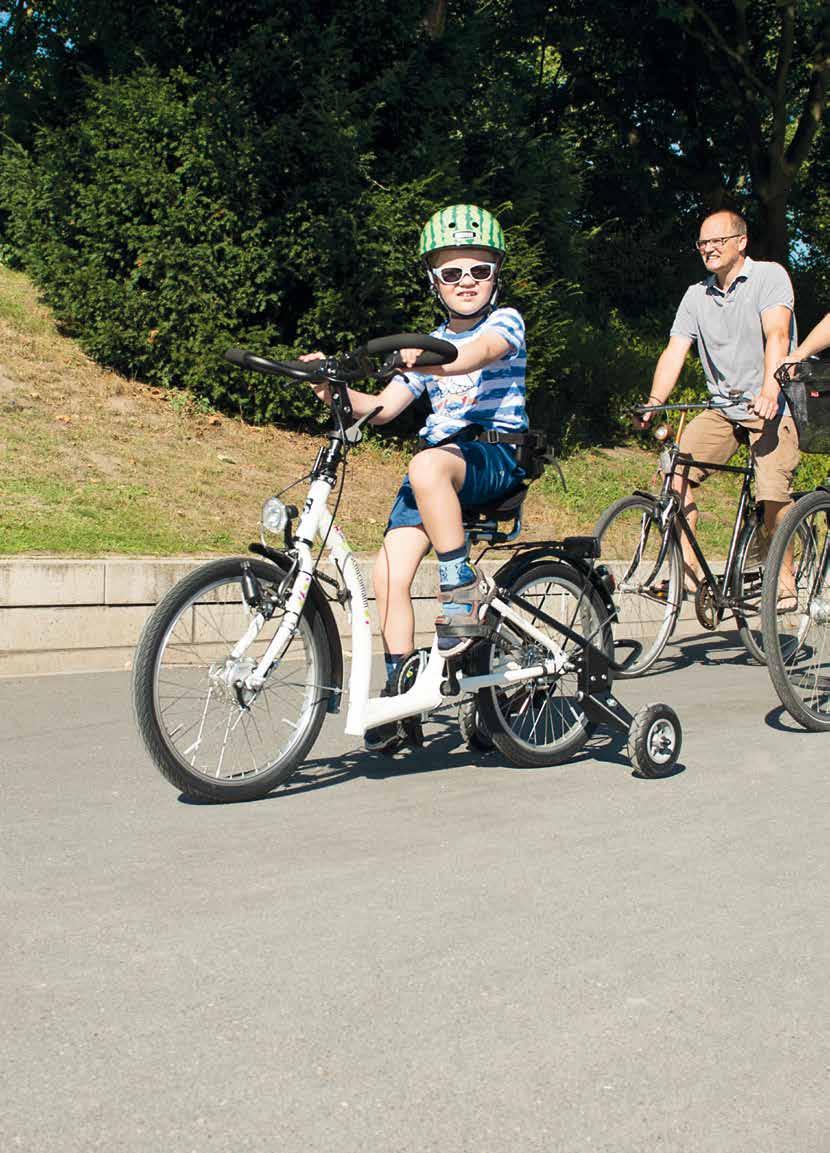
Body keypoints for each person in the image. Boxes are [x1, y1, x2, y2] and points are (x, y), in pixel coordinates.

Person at [302, 204, 528, 749]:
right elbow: (380, 410)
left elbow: (469, 357)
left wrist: (415, 359)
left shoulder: (506, 322)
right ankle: (401, 695)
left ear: (496, 275)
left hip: (491, 455)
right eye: (452, 273)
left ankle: (461, 593)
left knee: (424, 464)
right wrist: (329, 390)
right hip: (436, 470)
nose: (466, 281)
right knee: (387, 573)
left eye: (479, 269)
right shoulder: (427, 344)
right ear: (434, 281)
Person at [641, 209, 800, 596]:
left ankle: (784, 578)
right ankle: (692, 574)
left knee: (773, 496)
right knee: (673, 471)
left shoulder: (769, 277)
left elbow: (777, 335)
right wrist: (653, 402)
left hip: (772, 405)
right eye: (702, 243)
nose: (708, 248)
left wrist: (769, 390)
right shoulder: (697, 295)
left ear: (741, 242)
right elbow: (675, 350)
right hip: (723, 409)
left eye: (717, 241)